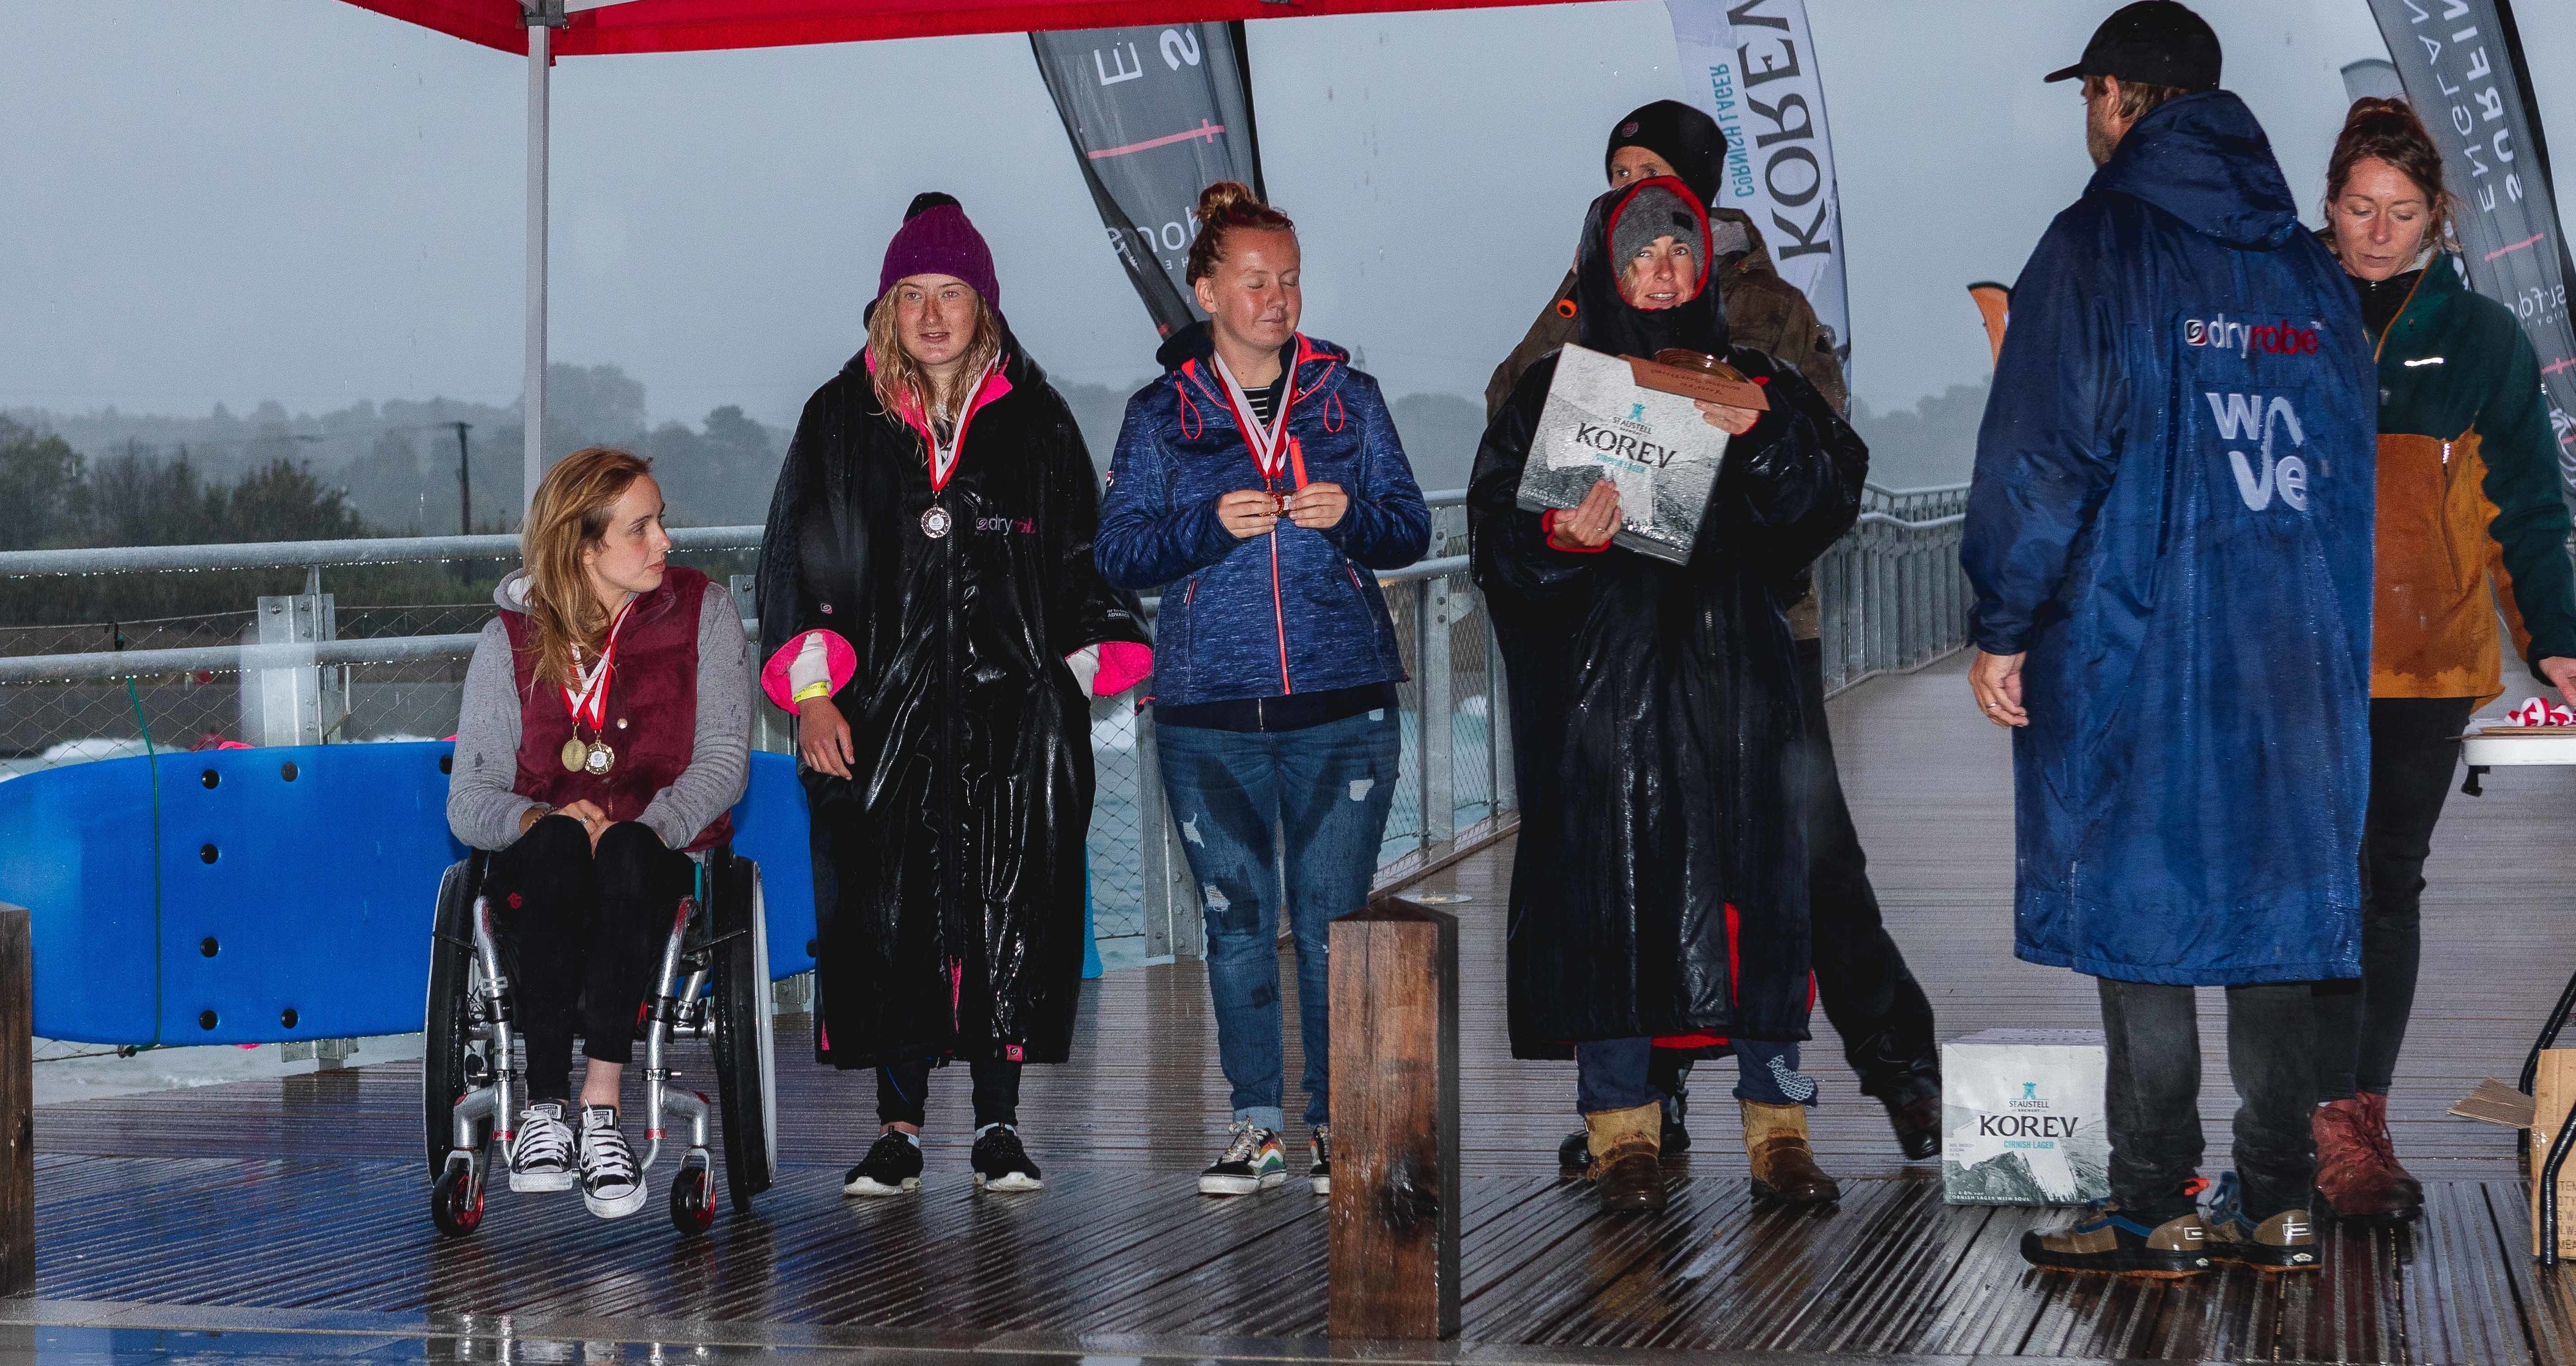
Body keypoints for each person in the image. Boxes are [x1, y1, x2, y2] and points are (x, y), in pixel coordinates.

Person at [1966, 0, 2375, 1278]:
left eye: (2089, 94)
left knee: (2137, 904)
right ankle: (2278, 1197)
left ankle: (2150, 1203)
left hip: (2136, 638)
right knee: (2272, 913)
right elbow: (2347, 461)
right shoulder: (2308, 266)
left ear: (2120, 98)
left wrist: (2000, 620)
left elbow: (2042, 455)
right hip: (2292, 648)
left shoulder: (2097, 245)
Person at [1493, 100, 1943, 1167]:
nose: (1633, 195)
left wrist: (1754, 415)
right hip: (1620, 644)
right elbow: (1510, 418)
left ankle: (1888, 1069)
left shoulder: (1768, 311)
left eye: (1655, 174)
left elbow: (1824, 467)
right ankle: (1638, 1105)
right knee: (1631, 863)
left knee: (1803, 865)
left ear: (1703, 194)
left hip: (1754, 639)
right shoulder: (1580, 290)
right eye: (1617, 174)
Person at [757, 193, 1151, 1199]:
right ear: (885, 307)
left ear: (985, 304)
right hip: (875, 718)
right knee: (888, 916)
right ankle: (895, 1129)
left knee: (1004, 909)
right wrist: (811, 698)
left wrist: (1075, 672)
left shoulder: (1036, 418)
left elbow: (1080, 559)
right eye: (913, 295)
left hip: (1010, 720)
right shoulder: (838, 422)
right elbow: (795, 572)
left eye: (953, 294)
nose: (933, 315)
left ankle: (997, 1127)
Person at [1095, 181, 1432, 1198]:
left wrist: (1350, 516)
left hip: (1345, 700)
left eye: (1287, 279)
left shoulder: (1348, 397)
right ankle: (1254, 1126)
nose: (1276, 297)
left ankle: (1333, 1124)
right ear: (1206, 290)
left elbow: (1410, 528)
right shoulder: (1159, 415)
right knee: (1236, 920)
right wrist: (1207, 528)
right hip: (1207, 710)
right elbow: (1117, 554)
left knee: (1334, 920)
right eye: (1253, 280)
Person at [2309, 97, 2576, 1222]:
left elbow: (2529, 506)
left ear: (2436, 217)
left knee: (2382, 888)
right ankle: (2294, 1120)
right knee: (2292, 892)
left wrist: (2558, 640)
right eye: (2359, 208)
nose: (2377, 231)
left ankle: (2355, 1121)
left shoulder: (2478, 339)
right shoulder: (2282, 307)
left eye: (2401, 212)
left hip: (2420, 666)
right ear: (2328, 205)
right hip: (2288, 655)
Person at [447, 446, 752, 1221]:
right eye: (641, 528)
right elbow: (469, 797)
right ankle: (544, 1109)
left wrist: (645, 827)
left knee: (619, 852)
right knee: (550, 845)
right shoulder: (507, 640)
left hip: (651, 867)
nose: (664, 542)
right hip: (540, 881)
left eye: (661, 523)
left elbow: (722, 759)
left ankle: (602, 1108)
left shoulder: (702, 614)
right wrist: (535, 818)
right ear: (585, 548)